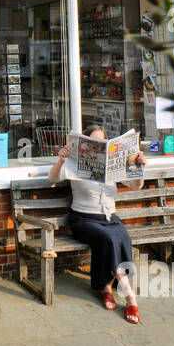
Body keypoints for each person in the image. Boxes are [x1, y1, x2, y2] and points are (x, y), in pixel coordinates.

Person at [49, 127, 147, 324]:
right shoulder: (73, 162)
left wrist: (138, 167)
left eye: (101, 142)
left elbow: (137, 186)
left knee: (123, 238)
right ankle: (130, 296)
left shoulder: (113, 167)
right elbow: (52, 178)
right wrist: (61, 158)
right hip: (83, 220)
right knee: (109, 239)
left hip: (110, 218)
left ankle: (105, 287)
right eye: (93, 142)